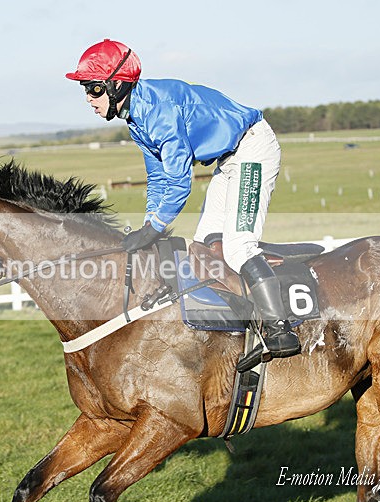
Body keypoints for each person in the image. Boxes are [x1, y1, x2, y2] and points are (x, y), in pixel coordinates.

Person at [66, 39, 300, 358]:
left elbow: (178, 181)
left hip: (253, 149)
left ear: (117, 85)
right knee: (204, 245)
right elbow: (158, 175)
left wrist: (156, 227)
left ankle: (280, 329)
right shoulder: (135, 119)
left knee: (237, 245)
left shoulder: (157, 112)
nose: (89, 99)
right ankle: (239, 328)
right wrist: (150, 223)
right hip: (228, 158)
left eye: (93, 89)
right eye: (85, 90)